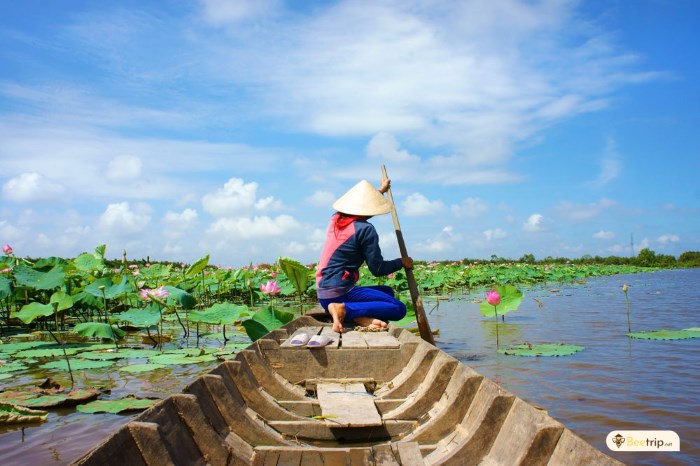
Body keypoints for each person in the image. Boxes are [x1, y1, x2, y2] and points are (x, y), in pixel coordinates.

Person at [315, 177, 413, 333]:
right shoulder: (366, 229)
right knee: (398, 308)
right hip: (340, 292)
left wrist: (380, 191)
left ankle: (355, 315)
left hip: (323, 294)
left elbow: (361, 208)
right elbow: (378, 269)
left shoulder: (335, 219)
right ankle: (345, 310)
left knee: (387, 292)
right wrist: (401, 262)